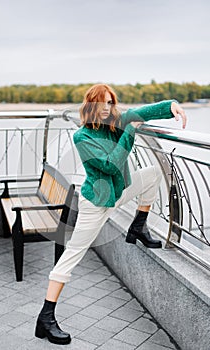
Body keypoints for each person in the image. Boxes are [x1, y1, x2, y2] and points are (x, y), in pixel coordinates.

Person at [35, 84, 187, 345]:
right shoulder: (82, 137)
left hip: (120, 193)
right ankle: (46, 318)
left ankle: (138, 225)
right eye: (100, 103)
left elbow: (142, 112)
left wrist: (170, 105)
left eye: (109, 103)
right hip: (97, 204)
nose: (106, 108)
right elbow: (109, 165)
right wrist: (129, 133)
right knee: (73, 254)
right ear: (90, 106)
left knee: (151, 175)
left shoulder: (116, 120)